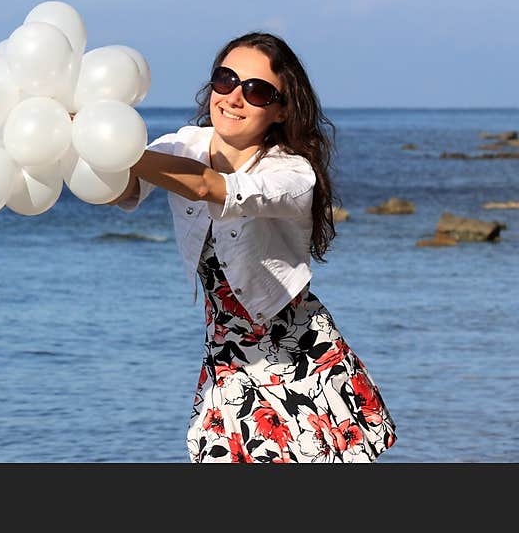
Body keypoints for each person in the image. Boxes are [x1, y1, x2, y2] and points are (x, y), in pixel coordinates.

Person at [109, 32, 397, 463]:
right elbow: (122, 190)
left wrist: (118, 148)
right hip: (227, 356)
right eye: (226, 80)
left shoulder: (292, 174)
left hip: (296, 355)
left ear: (281, 109)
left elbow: (209, 185)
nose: (234, 98)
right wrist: (79, 138)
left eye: (256, 90)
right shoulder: (180, 145)